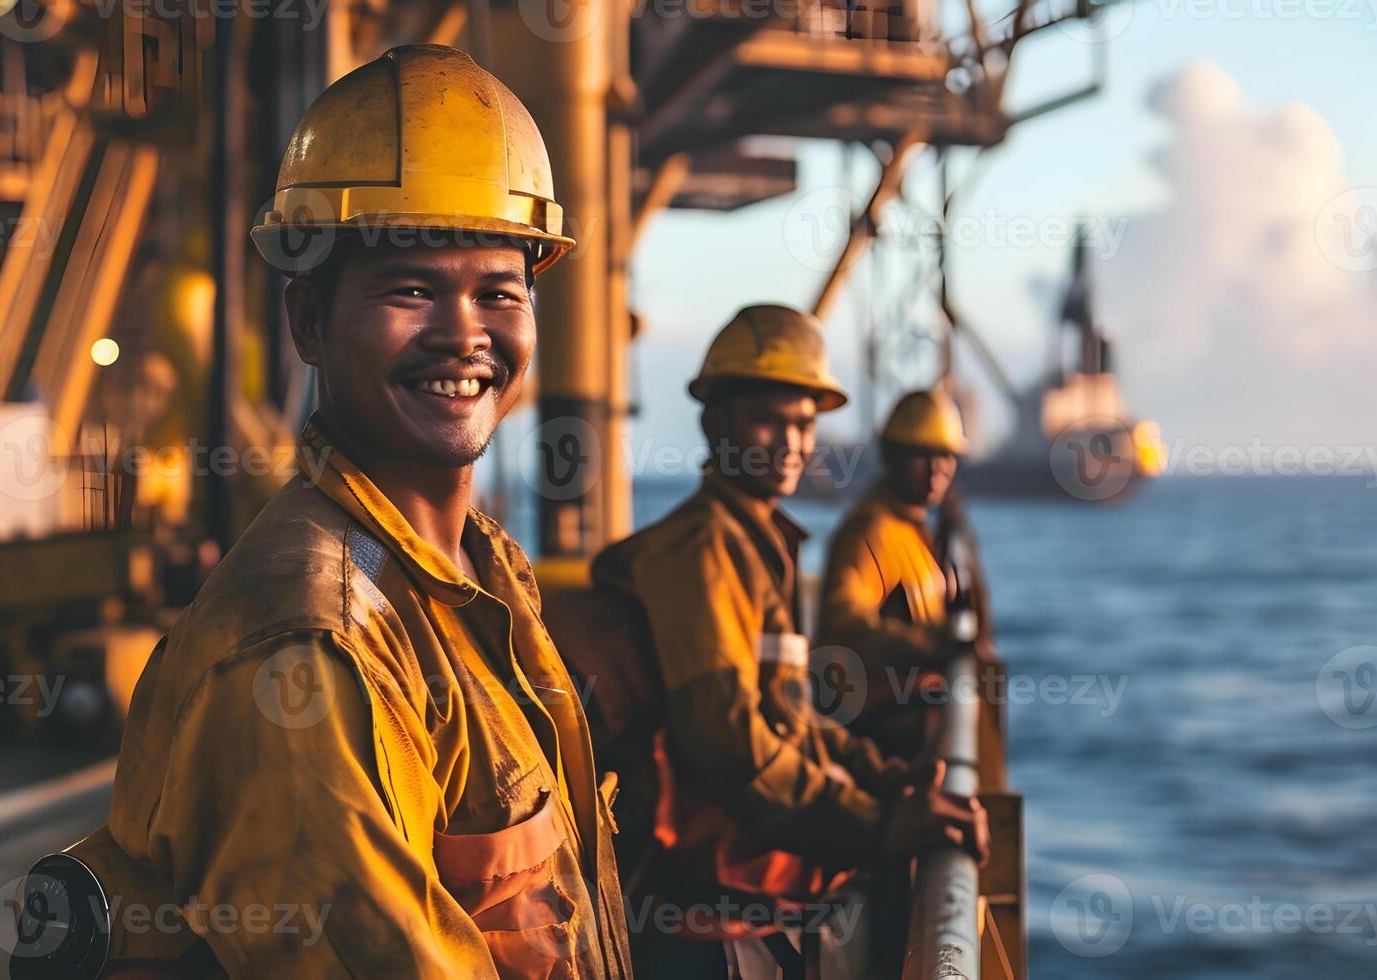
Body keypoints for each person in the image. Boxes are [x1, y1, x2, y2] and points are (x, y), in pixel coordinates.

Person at [60, 45, 631, 979]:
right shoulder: (306, 649)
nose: (464, 333)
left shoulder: (475, 577)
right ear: (308, 322)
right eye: (410, 288)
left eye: (498, 290)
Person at [574, 309, 987, 977]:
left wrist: (887, 780)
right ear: (715, 424)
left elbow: (792, 718)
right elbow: (730, 744)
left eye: (804, 422)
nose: (792, 440)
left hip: (745, 903)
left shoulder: (758, 548)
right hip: (695, 920)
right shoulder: (699, 554)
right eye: (769, 419)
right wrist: (877, 824)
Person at [816, 387, 975, 761]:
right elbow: (843, 622)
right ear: (891, 456)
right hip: (875, 739)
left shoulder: (915, 532)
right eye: (922, 455)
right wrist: (928, 650)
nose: (937, 469)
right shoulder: (872, 530)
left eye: (946, 456)